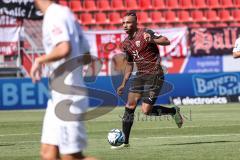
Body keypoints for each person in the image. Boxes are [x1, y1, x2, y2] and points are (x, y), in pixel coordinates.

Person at [31, 0, 96, 160]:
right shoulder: (66, 14)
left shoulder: (54, 14)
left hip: (68, 96)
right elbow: (87, 55)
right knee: (48, 153)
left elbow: (63, 48)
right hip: (59, 96)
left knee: (71, 157)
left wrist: (40, 60)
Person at [113, 11, 183, 150]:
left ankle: (172, 112)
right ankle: (125, 141)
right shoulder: (126, 43)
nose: (125, 25)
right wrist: (123, 83)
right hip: (140, 75)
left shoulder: (146, 32)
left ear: (135, 23)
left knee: (146, 110)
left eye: (128, 22)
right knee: (130, 106)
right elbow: (129, 63)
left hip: (155, 74)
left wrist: (152, 40)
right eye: (123, 23)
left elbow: (166, 40)